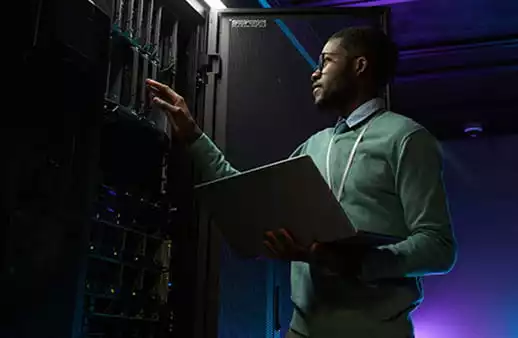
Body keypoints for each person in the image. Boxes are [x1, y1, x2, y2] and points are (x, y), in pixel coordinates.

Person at [146, 26, 457, 338]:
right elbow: (249, 199)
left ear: (359, 66)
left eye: (326, 62)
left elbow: (438, 248)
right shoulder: (314, 146)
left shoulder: (406, 139)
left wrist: (357, 263)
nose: (315, 73)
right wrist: (193, 136)